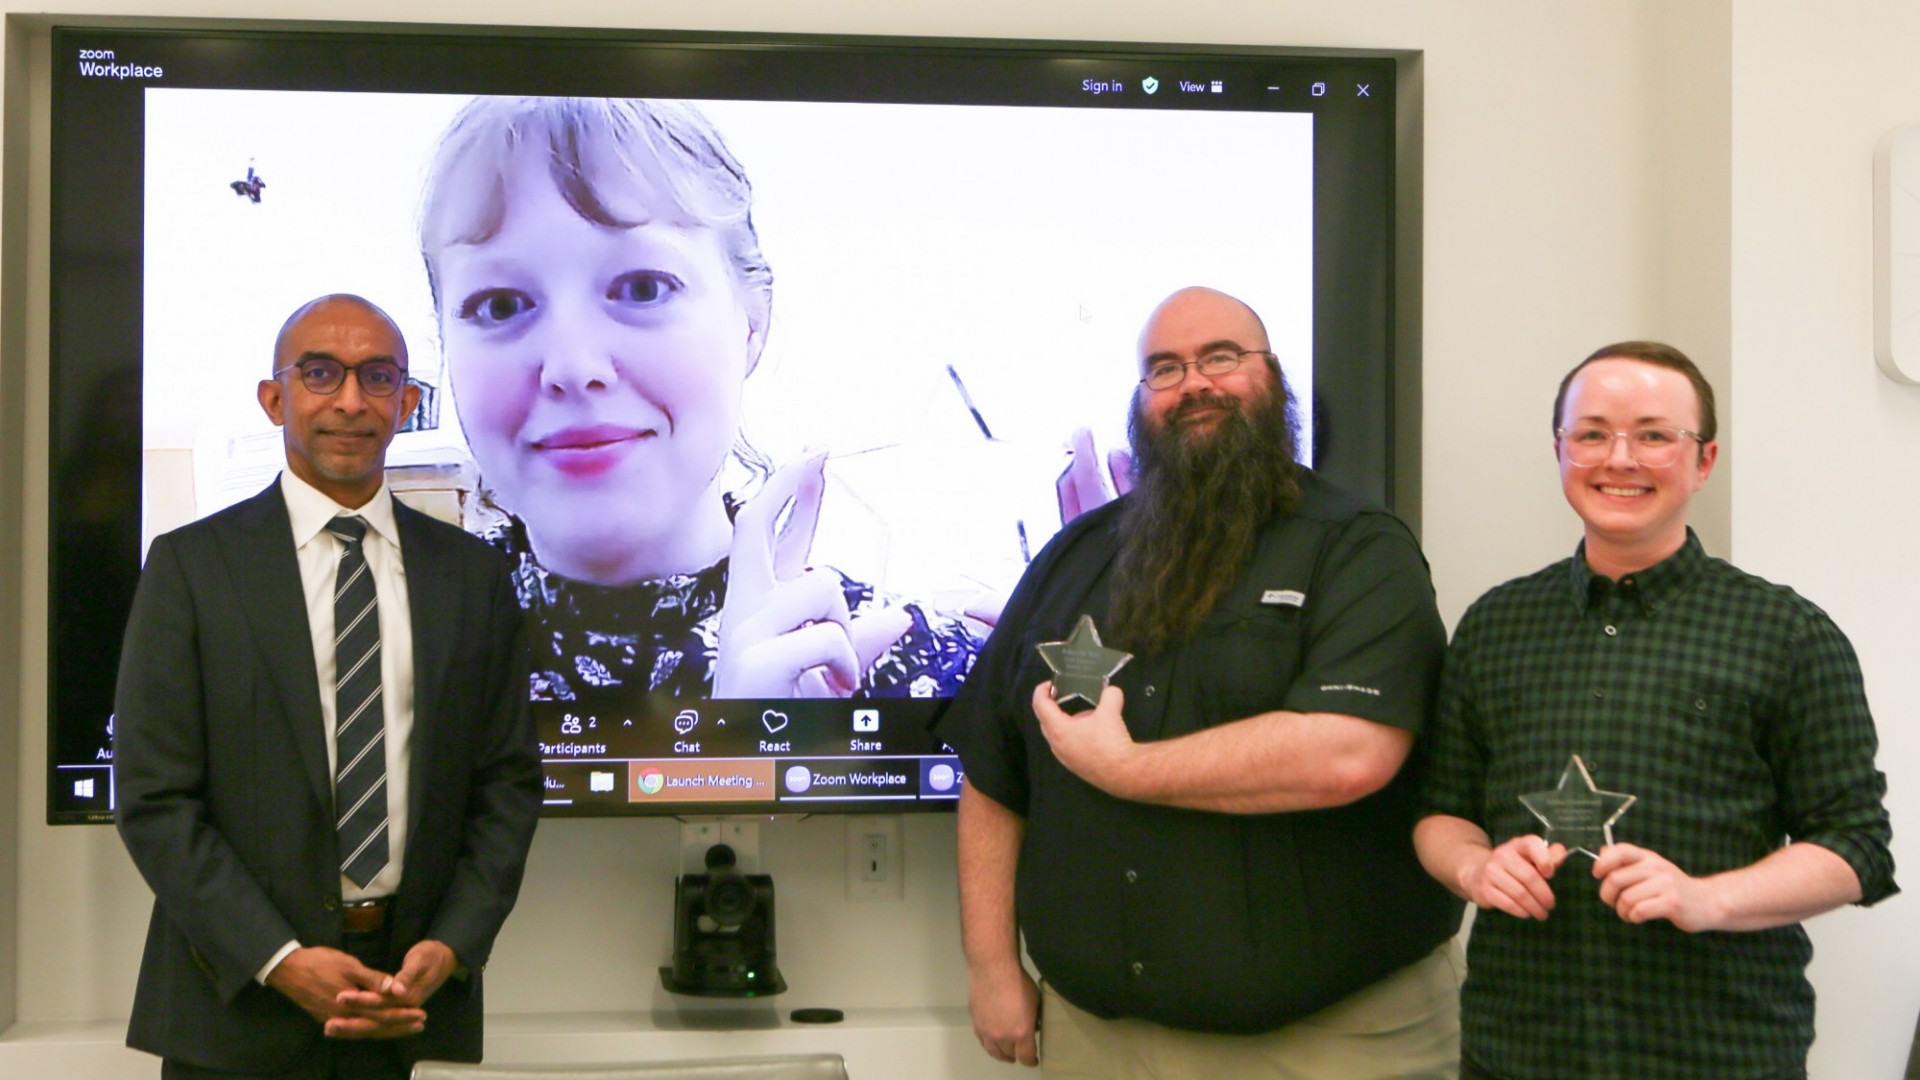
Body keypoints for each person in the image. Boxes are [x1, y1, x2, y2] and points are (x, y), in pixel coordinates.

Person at [936, 286, 1463, 1078]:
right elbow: (993, 769)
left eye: (1222, 358)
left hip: (1332, 1045)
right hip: (1097, 1041)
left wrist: (1125, 769)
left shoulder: (1358, 549)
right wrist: (989, 967)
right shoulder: (1074, 557)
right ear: (1142, 400)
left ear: (1273, 377)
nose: (1195, 385)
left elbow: (1349, 752)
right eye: (1165, 369)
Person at [1413, 342, 1898, 1080]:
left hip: (1720, 1052)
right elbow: (1439, 811)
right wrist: (1476, 868)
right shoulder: (1494, 625)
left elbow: (1856, 849)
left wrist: (1706, 898)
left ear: (1703, 461)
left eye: (1653, 434)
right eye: (1592, 433)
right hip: (1518, 1049)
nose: (1620, 458)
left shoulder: (1787, 633)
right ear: (1560, 450)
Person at [417, 96, 979, 706]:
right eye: (500, 305)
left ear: (751, 322)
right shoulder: (353, 674)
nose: (573, 368)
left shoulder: (915, 677)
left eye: (642, 288)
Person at [114, 294, 544, 1078]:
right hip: (234, 1001)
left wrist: (450, 944)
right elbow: (154, 799)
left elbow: (507, 785)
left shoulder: (473, 579)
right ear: (275, 398)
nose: (351, 400)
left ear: (406, 404)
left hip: (399, 995)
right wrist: (278, 959)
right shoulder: (191, 569)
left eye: (377, 377)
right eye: (321, 373)